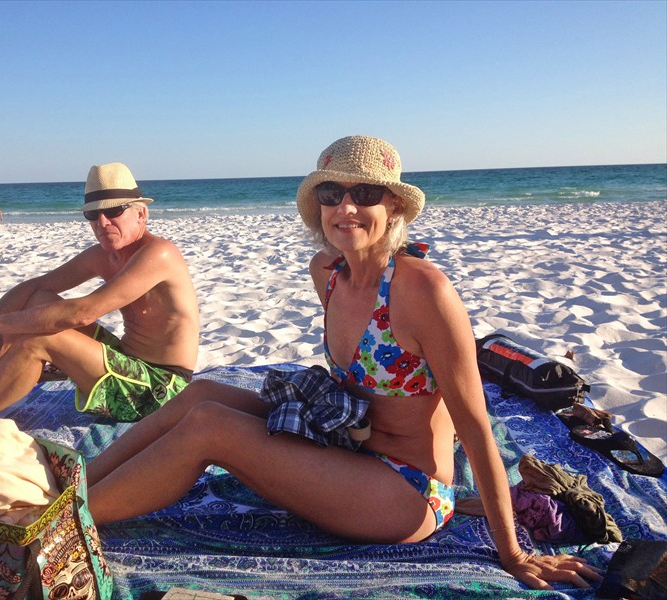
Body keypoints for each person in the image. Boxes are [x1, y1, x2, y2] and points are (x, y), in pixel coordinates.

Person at [83, 137, 602, 591]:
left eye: (366, 194)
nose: (346, 207)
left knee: (209, 426)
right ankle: (77, 483)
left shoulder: (423, 291)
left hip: (406, 490)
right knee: (201, 394)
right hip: (346, 447)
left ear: (394, 206)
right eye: (333, 194)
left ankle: (65, 519)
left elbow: (475, 425)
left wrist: (514, 553)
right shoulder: (327, 272)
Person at [0, 162, 200, 456]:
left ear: (141, 214)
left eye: (114, 211)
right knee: (39, 303)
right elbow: (36, 286)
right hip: (129, 364)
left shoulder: (159, 254)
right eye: (93, 214)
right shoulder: (105, 254)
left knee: (36, 338)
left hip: (162, 388)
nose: (102, 222)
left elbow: (84, 312)